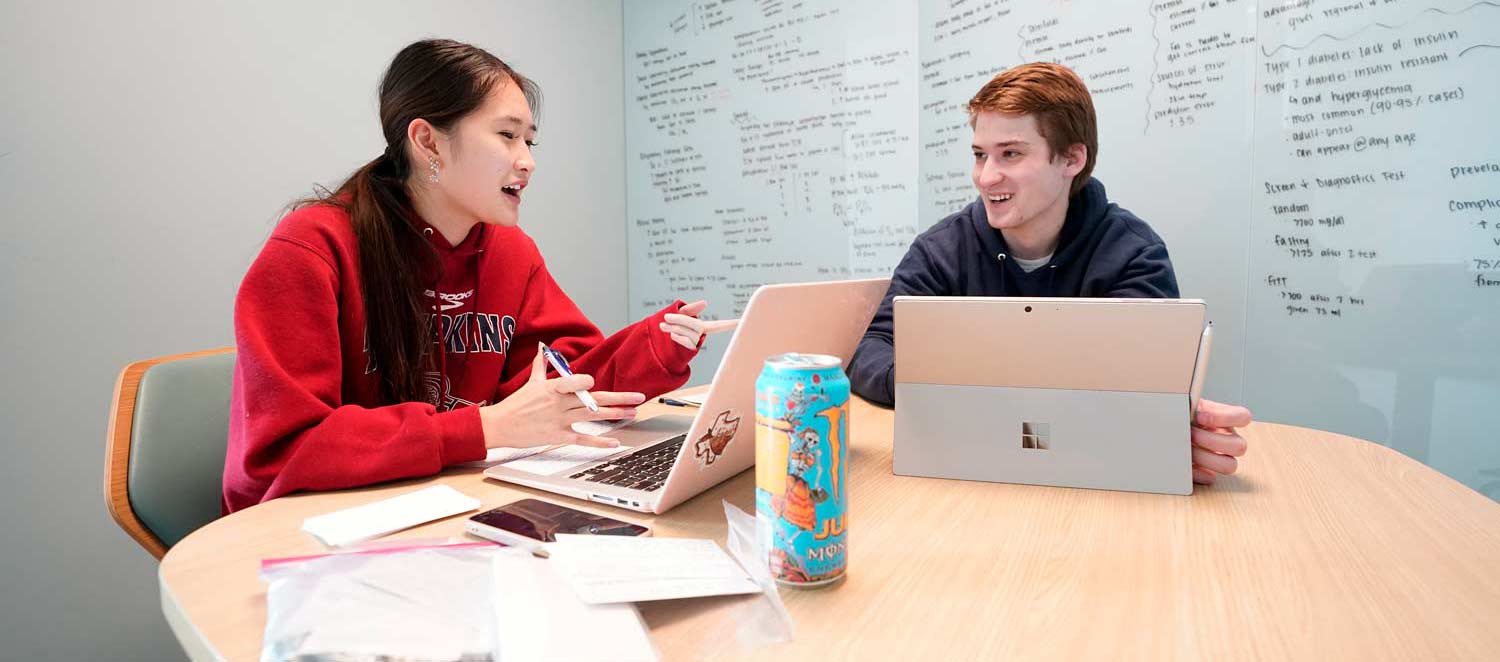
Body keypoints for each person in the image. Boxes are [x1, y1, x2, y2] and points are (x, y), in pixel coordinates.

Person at [222, 40, 733, 513]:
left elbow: (559, 389)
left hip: (448, 509)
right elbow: (281, 453)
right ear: (428, 142)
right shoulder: (311, 249)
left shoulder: (510, 252)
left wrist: (655, 346)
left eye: (530, 141)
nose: (527, 162)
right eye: (507, 136)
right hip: (319, 531)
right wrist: (482, 427)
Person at [847, 62, 1249, 485]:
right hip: (967, 471)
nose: (986, 177)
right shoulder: (942, 249)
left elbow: (1141, 391)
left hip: (1089, 481)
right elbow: (871, 347)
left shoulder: (1133, 253)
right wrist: (929, 385)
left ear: (1072, 159)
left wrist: (1161, 426)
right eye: (980, 154)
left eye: (1011, 154)